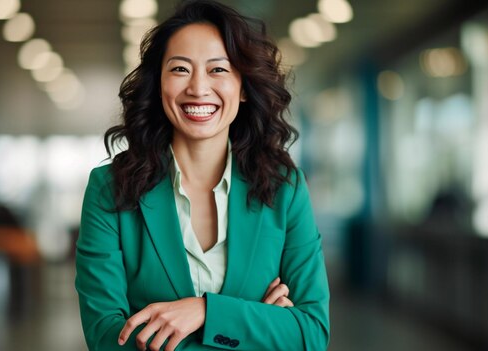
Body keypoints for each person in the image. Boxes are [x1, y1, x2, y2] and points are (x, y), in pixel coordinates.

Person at [75, 1, 330, 350]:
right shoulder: (110, 189)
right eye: (180, 69)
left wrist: (206, 312)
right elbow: (106, 337)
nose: (198, 88)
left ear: (243, 88)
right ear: (158, 83)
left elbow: (311, 334)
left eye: (218, 70)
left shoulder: (285, 189)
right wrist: (257, 324)